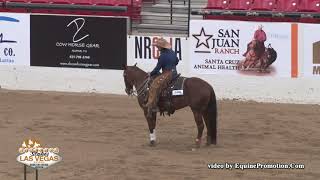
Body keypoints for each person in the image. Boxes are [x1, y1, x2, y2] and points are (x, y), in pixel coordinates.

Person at [144, 37, 179, 117]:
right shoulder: (172, 52)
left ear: (161, 47)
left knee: (154, 85)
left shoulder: (162, 56)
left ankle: (152, 105)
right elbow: (177, 61)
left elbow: (157, 69)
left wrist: (151, 74)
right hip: (174, 72)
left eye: (157, 46)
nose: (156, 47)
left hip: (167, 74)